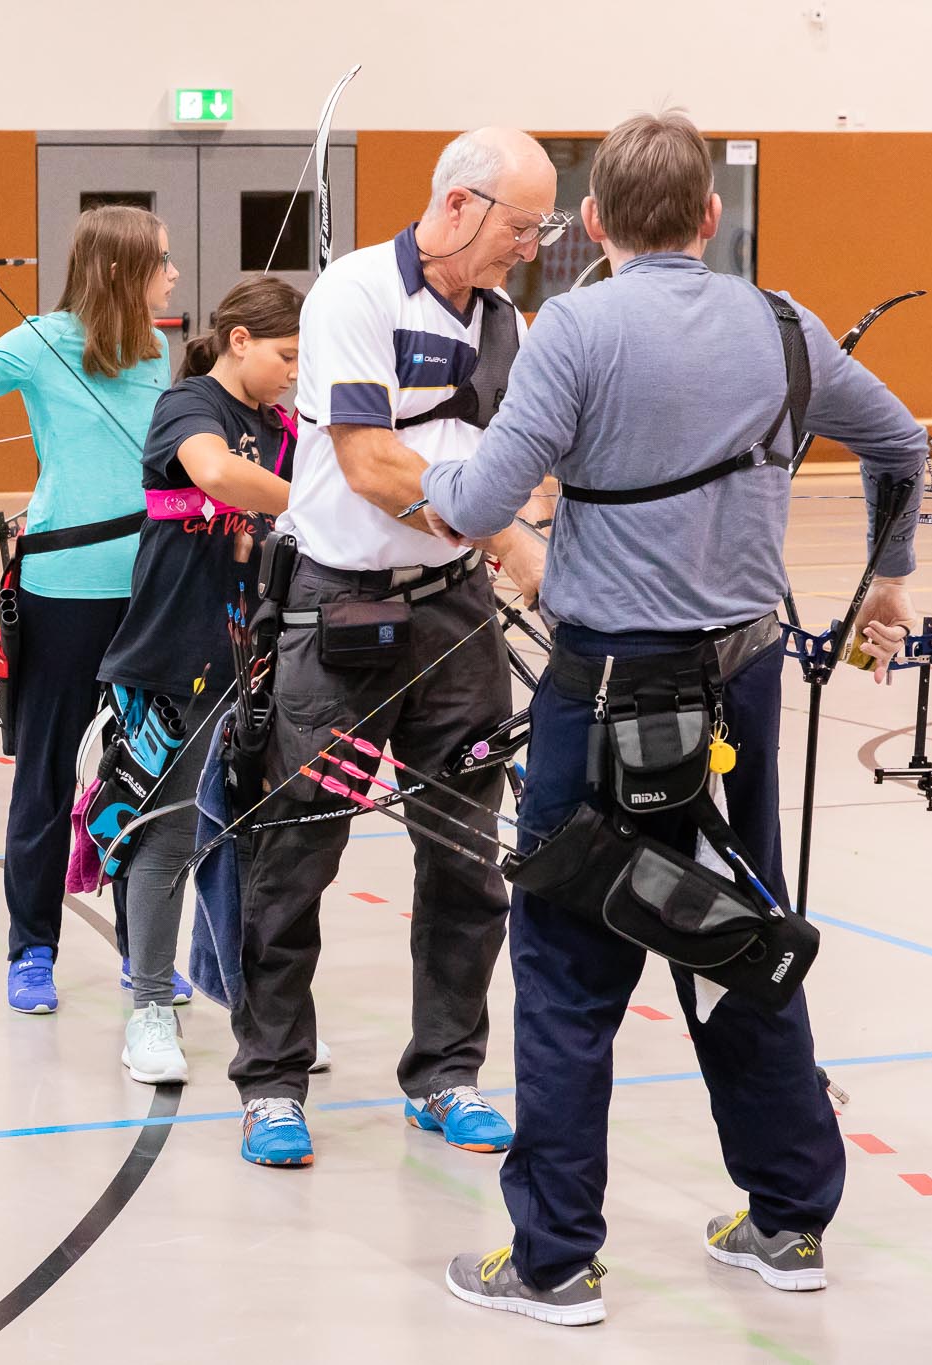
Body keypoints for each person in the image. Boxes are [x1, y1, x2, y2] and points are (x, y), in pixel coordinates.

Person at [424, 110, 924, 1328]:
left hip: (604, 691)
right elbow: (899, 443)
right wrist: (886, 578)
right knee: (735, 928)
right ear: (708, 217)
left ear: (592, 220)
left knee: (565, 960)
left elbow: (477, 503)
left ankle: (552, 1261)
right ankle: (788, 1221)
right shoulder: (781, 326)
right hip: (737, 687)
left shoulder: (574, 327)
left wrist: (426, 474)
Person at [229, 128, 556, 1170]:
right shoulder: (354, 295)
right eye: (519, 226)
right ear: (457, 204)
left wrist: (528, 519)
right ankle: (272, 1083)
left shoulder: (504, 321)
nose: (528, 248)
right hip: (341, 617)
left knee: (466, 856)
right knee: (297, 851)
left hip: (454, 618)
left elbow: (517, 459)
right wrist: (505, 536)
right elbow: (370, 463)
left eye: (540, 229)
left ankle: (446, 1073)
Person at [0, 205, 174, 1016]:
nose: (172, 275)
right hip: (62, 593)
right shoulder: (41, 339)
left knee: (145, 775)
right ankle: (31, 949)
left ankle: (144, 949)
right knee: (48, 779)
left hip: (148, 590)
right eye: (160, 261)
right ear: (121, 269)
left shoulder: (155, 349)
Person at [90, 276, 301, 1081]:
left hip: (261, 656)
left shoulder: (281, 424)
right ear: (240, 341)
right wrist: (310, 501)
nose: (294, 371)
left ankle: (260, 1013)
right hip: (179, 655)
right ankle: (150, 1006)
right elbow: (214, 473)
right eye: (285, 354)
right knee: (171, 833)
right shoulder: (188, 405)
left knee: (259, 838)